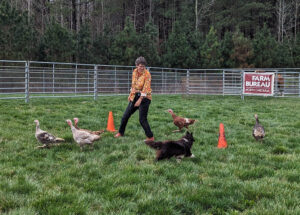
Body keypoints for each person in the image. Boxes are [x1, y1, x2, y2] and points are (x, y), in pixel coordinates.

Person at [114, 56, 154, 142]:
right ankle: (120, 133)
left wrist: (140, 100)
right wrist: (131, 95)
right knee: (125, 116)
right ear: (136, 65)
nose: (142, 68)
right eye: (140, 66)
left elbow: (146, 88)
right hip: (135, 96)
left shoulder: (147, 74)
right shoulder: (134, 72)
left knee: (142, 119)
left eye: (143, 66)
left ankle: (150, 137)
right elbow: (133, 85)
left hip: (145, 98)